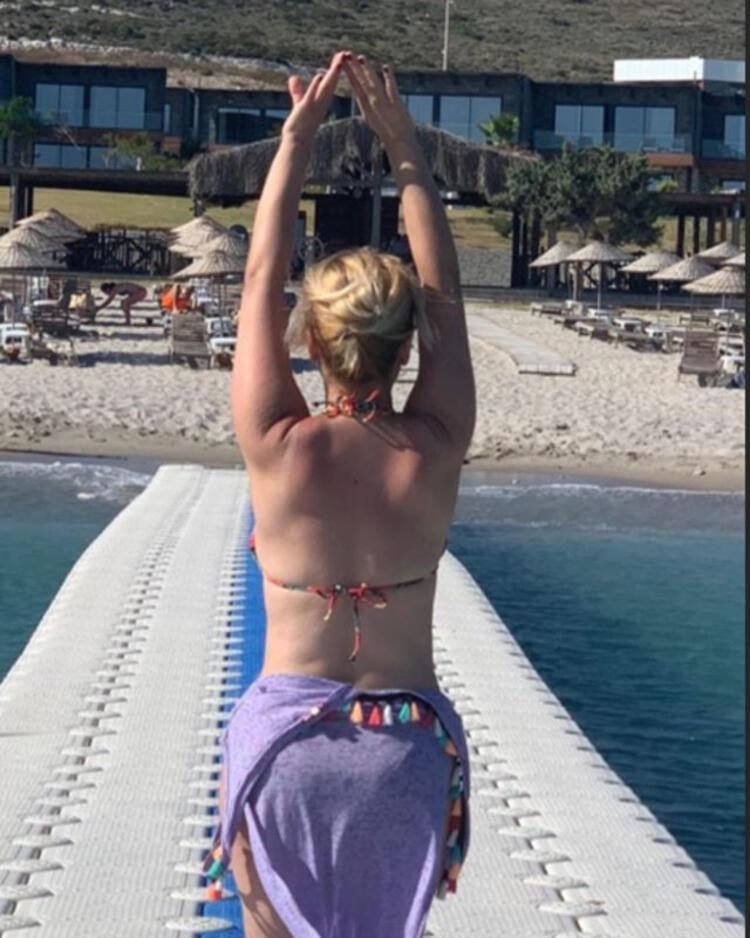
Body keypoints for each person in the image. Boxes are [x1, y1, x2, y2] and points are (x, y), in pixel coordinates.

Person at [207, 51, 475, 938]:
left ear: (311, 343)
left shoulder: (278, 446)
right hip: (405, 755)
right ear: (409, 343)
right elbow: (446, 294)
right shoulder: (434, 446)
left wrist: (295, 141)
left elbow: (259, 280)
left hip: (285, 751)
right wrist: (406, 150)